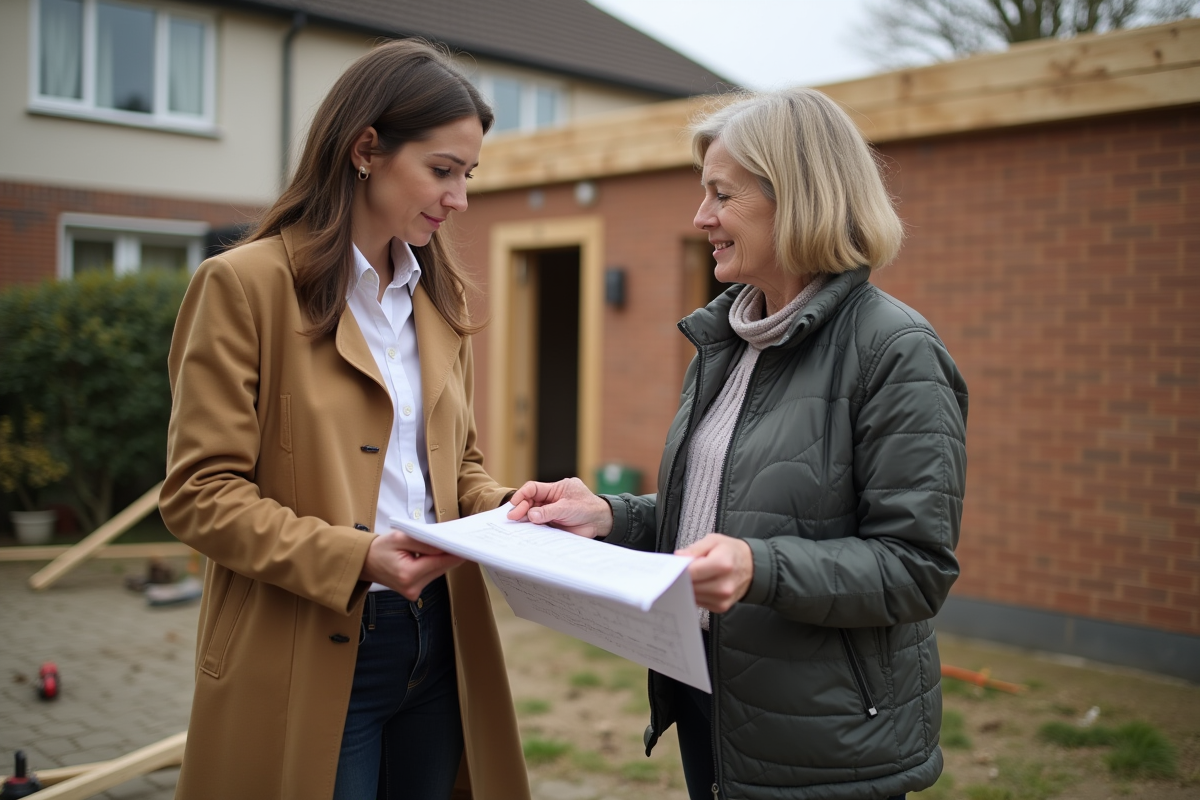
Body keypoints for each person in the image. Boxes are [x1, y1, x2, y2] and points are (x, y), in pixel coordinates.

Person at [508, 87, 968, 800]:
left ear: (797, 198)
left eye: (722, 194)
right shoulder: (728, 342)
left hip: (823, 741)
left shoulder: (895, 351)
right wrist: (610, 516)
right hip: (712, 702)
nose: (701, 218)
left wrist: (759, 568)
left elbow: (915, 568)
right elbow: (723, 516)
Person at [160, 40, 529, 800]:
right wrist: (357, 558)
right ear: (366, 149)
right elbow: (199, 494)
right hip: (305, 645)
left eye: (469, 175)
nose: (459, 198)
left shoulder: (440, 299)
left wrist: (511, 508)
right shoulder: (242, 286)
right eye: (442, 170)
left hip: (442, 642)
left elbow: (453, 469)